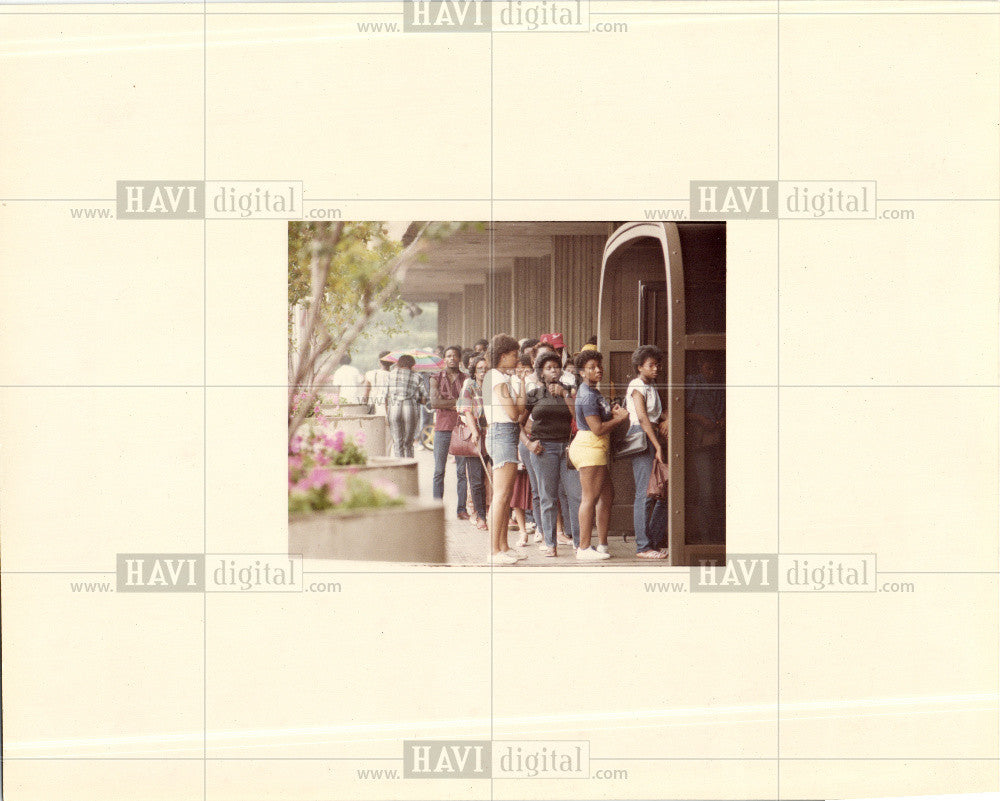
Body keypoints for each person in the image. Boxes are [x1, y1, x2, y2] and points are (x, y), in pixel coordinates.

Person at [568, 349, 629, 561]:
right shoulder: (586, 394)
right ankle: (583, 548)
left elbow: (600, 418)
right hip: (589, 447)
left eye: (599, 366)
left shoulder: (593, 392)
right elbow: (597, 428)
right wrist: (620, 419)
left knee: (607, 495)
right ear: (582, 372)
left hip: (596, 449)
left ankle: (602, 545)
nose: (598, 370)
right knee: (590, 498)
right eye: (592, 367)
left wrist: (612, 411)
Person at [525, 350, 583, 557]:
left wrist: (565, 394)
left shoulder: (570, 391)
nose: (554, 371)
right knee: (548, 497)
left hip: (567, 448)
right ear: (541, 372)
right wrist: (529, 443)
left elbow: (578, 417)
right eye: (549, 368)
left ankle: (579, 542)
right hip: (544, 450)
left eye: (556, 367)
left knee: (575, 495)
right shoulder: (534, 394)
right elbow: (519, 423)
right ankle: (550, 542)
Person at [484, 334, 527, 565]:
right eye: (514, 354)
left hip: (506, 433)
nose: (517, 358)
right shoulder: (495, 377)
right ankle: (493, 550)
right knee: (501, 496)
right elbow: (513, 413)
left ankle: (503, 546)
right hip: (501, 433)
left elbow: (520, 409)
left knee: (506, 494)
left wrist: (520, 382)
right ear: (503, 355)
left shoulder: (503, 377)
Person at [626, 345, 670, 559]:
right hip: (643, 436)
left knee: (661, 492)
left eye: (657, 365)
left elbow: (658, 414)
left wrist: (667, 419)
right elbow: (643, 418)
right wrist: (658, 445)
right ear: (639, 367)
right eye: (650, 365)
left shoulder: (651, 386)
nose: (655, 369)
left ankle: (652, 541)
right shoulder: (637, 385)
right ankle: (643, 547)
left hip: (652, 434)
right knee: (645, 493)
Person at [686, 354, 725, 543]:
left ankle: (716, 535)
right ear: (700, 365)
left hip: (719, 441)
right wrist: (701, 419)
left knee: (717, 488)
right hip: (700, 442)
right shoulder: (692, 383)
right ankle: (705, 536)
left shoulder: (719, 385)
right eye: (708, 369)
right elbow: (682, 410)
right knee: (705, 488)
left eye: (714, 369)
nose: (711, 373)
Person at [430, 345, 472, 520]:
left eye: (455, 355)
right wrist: (458, 402)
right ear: (444, 359)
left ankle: (461, 509)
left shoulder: (467, 378)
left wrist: (447, 401)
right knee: (439, 471)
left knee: (462, 472)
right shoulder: (435, 377)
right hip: (442, 428)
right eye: (448, 356)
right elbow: (434, 402)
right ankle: (436, 510)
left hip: (462, 428)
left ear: (460, 358)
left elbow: (468, 401)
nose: (452, 358)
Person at [457, 355, 489, 531]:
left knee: (493, 477)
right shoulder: (469, 385)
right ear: (474, 371)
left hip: (493, 433)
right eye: (480, 369)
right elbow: (466, 410)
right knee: (476, 479)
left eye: (486, 368)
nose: (483, 372)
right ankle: (481, 516)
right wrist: (475, 432)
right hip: (476, 434)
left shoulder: (494, 386)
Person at [385, 355, 426, 459]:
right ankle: (408, 466)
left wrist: (387, 413)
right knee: (408, 442)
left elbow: (385, 396)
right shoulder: (417, 376)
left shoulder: (390, 375)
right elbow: (424, 399)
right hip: (410, 408)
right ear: (412, 364)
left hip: (394, 408)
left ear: (399, 363)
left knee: (397, 441)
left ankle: (399, 467)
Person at [362, 351, 392, 417]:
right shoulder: (393, 376)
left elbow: (366, 393)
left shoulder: (370, 374)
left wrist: (364, 406)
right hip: (388, 407)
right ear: (392, 363)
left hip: (373, 406)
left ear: (380, 362)